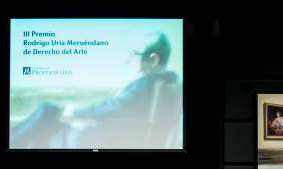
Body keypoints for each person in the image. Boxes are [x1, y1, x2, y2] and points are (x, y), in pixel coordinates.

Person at [11, 33, 181, 149]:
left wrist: (73, 111)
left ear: (153, 60)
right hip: (116, 135)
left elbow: (114, 106)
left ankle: (11, 143)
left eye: (133, 55)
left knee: (47, 110)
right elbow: (122, 111)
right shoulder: (169, 85)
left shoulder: (146, 83)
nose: (127, 61)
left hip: (103, 139)